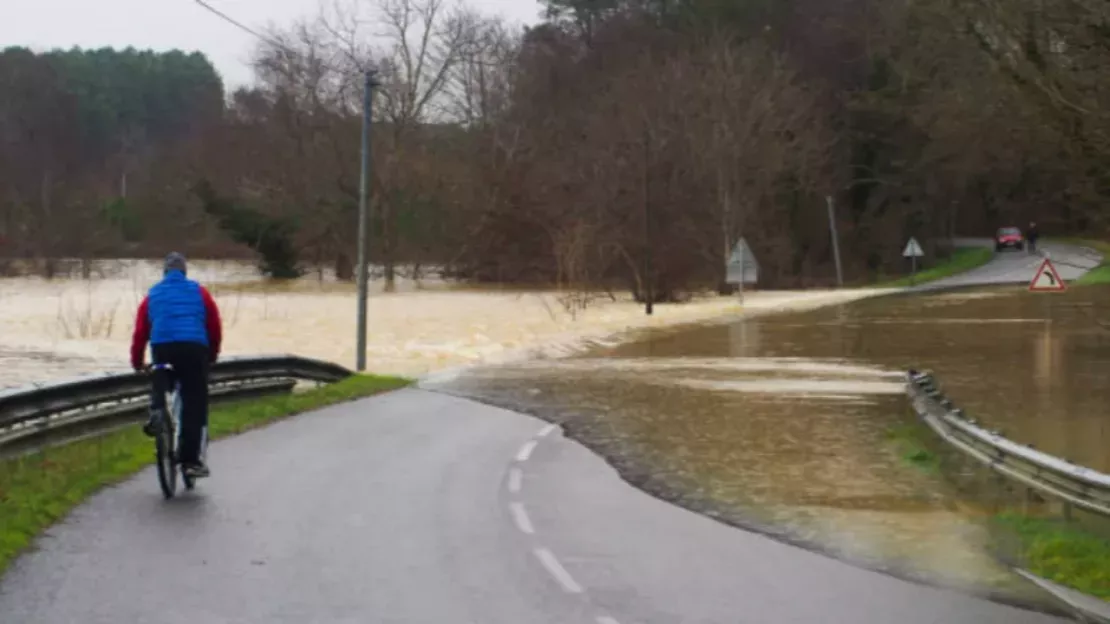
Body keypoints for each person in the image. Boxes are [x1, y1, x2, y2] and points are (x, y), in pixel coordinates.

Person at [130, 252, 222, 477]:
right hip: (194, 349)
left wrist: (137, 361)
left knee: (160, 377)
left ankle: (156, 412)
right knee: (194, 403)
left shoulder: (153, 294)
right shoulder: (200, 292)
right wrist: (212, 355)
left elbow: (141, 332)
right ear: (184, 272)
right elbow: (214, 327)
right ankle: (191, 462)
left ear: (164, 272)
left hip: (163, 348)